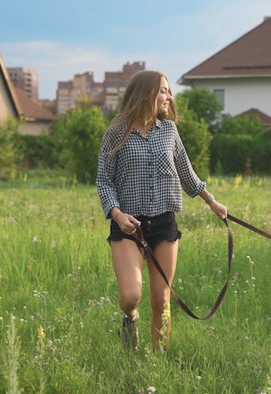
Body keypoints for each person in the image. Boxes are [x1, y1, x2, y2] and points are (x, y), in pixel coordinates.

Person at [96, 70, 227, 352]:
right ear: (146, 94)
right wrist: (117, 214)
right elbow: (104, 181)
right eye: (164, 91)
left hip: (164, 224)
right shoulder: (115, 133)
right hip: (128, 225)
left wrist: (211, 200)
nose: (170, 96)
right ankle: (130, 318)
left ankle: (157, 361)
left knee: (161, 300)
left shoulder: (168, 131)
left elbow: (186, 173)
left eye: (169, 91)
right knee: (131, 296)